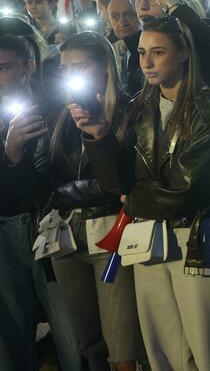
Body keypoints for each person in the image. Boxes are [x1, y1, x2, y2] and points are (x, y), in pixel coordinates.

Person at [75, 16, 210, 371]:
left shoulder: (208, 106)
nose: (147, 62)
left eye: (158, 52)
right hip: (147, 235)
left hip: (193, 234)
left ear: (183, 54)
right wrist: (99, 136)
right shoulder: (138, 106)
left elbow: (184, 188)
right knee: (162, 345)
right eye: (141, 53)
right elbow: (115, 183)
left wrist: (133, 199)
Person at [48, 32, 146, 371]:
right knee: (88, 342)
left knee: (123, 343)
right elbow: (45, 178)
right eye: (64, 69)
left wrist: (99, 137)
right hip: (64, 237)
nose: (70, 76)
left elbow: (117, 185)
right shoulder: (60, 116)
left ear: (105, 67)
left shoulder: (130, 110)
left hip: (110, 233)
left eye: (79, 66)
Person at [0, 34, 80, 371]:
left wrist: (18, 157)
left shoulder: (56, 110)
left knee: (71, 331)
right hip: (4, 230)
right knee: (12, 334)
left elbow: (62, 178)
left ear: (29, 67)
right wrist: (11, 154)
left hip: (49, 226)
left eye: (5, 68)